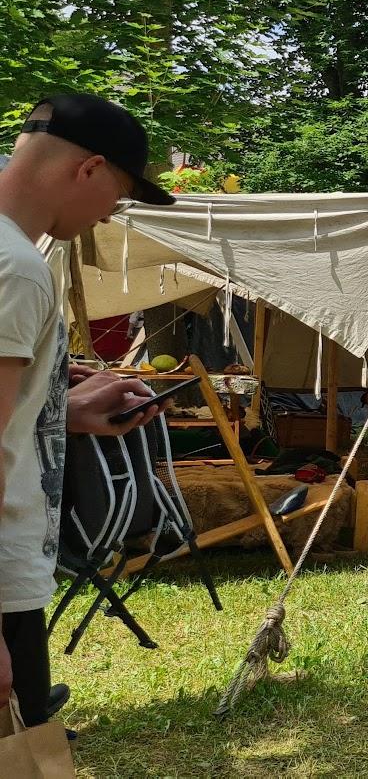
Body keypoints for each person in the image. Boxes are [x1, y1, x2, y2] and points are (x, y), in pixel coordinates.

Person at [0, 93, 175, 725]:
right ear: (90, 168)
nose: (109, 214)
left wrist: (61, 408)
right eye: (119, 197)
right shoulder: (18, 269)